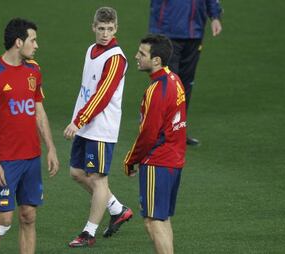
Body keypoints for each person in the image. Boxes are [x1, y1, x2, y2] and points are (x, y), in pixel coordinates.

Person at [0, 18, 59, 254]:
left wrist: (50, 147)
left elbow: (38, 111)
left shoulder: (34, 69)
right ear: (18, 42)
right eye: (33, 40)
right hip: (5, 160)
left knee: (29, 216)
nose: (37, 45)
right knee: (4, 221)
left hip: (31, 157)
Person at [63, 6, 133, 248]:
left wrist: (78, 120)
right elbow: (87, 90)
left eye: (110, 29)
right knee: (77, 173)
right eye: (101, 28)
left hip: (101, 128)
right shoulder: (91, 50)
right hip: (85, 125)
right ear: (93, 27)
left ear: (116, 28)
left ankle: (88, 233)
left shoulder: (116, 58)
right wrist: (78, 120)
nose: (105, 33)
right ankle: (117, 209)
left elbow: (102, 96)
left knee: (98, 178)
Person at [124, 34, 187, 254]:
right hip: (174, 160)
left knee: (153, 222)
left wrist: (131, 159)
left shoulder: (156, 91)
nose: (136, 57)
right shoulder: (175, 80)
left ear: (157, 60)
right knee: (162, 219)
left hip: (158, 161)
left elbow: (148, 135)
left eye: (142, 54)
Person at [149, 0, 223, 146]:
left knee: (185, 85)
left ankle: (177, 131)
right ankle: (158, 132)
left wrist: (215, 16)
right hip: (167, 32)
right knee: (166, 85)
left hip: (194, 32)